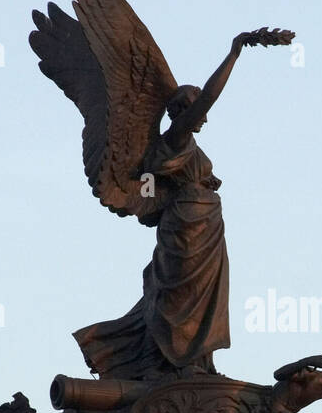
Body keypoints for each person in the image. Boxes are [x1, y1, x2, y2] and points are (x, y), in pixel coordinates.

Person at [75, 31, 278, 380]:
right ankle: (172, 362)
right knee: (181, 296)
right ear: (182, 110)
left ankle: (198, 362)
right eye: (196, 107)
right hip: (187, 226)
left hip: (204, 224)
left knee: (204, 298)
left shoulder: (187, 146)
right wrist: (234, 52)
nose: (204, 116)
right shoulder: (176, 138)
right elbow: (210, 97)